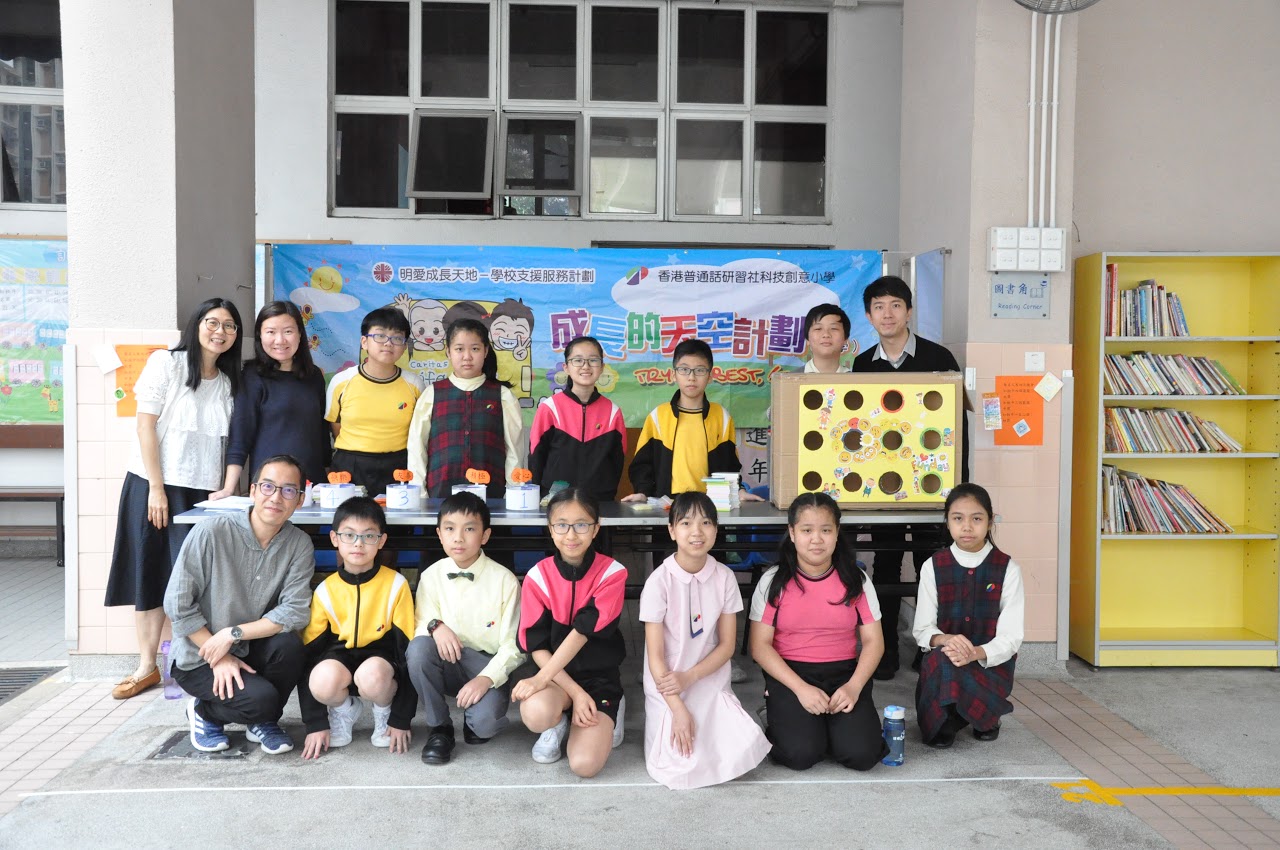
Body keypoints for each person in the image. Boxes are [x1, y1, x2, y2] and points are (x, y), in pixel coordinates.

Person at [104, 298, 243, 700]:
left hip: (203, 494)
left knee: (196, 579)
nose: (220, 332)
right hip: (154, 486)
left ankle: (197, 663)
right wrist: (156, 487)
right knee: (150, 572)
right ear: (196, 325)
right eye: (212, 322)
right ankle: (146, 666)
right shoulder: (166, 363)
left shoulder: (229, 382)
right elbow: (145, 427)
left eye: (229, 326)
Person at [850, 274, 966, 681]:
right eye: (879, 307)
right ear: (869, 316)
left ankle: (929, 651)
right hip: (883, 485)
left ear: (909, 311)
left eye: (895, 305)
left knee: (931, 567)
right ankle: (883, 653)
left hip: (932, 486)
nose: (888, 314)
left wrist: (956, 489)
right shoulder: (863, 364)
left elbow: (956, 429)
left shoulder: (939, 358)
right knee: (884, 564)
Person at [164, 455, 315, 754]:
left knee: (290, 646)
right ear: (253, 491)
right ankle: (203, 712)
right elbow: (178, 604)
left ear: (299, 500)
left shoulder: (298, 544)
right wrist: (218, 655)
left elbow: (295, 610)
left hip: (247, 646)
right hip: (200, 654)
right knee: (263, 700)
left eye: (288, 490)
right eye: (268, 486)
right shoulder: (211, 532)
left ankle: (261, 721)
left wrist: (232, 635)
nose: (276, 497)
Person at [749, 492, 887, 771]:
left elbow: (874, 641)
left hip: (844, 674)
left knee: (861, 755)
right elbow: (760, 646)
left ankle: (826, 726)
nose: (816, 539)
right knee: (801, 754)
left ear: (837, 533)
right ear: (792, 533)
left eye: (825, 530)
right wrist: (801, 689)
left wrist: (854, 687)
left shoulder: (856, 579)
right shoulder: (773, 581)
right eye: (806, 530)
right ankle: (778, 713)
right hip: (791, 674)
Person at [640, 492, 770, 789]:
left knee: (739, 756)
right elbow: (655, 657)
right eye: (686, 523)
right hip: (668, 686)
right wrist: (677, 708)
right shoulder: (658, 582)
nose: (696, 531)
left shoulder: (724, 577)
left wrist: (691, 677)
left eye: (706, 523)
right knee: (679, 767)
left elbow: (727, 646)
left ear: (716, 529)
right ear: (672, 530)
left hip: (707, 680)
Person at [513, 488, 627, 777]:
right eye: (561, 525)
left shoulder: (612, 573)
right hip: (556, 679)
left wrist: (543, 680)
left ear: (596, 529)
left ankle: (614, 708)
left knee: (584, 766)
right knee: (535, 713)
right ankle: (557, 722)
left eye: (581, 525)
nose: (571, 535)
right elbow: (536, 645)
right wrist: (575, 693)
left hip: (599, 680)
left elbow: (581, 632)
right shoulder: (537, 577)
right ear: (550, 529)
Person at [407, 492, 525, 765]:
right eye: (450, 529)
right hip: (446, 661)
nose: (458, 538)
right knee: (419, 649)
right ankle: (440, 727)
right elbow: (421, 622)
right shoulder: (431, 575)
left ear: (485, 535)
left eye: (469, 529)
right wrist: (436, 626)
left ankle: (475, 718)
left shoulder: (505, 580)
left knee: (483, 726)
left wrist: (486, 678)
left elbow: (514, 646)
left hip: (486, 664)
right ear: (439, 534)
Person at [297, 497, 416, 760]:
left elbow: (408, 652)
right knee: (321, 679)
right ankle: (343, 709)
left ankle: (383, 709)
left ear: (381, 541)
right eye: (349, 535)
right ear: (334, 539)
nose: (358, 544)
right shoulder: (326, 590)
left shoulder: (396, 585)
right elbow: (308, 655)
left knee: (372, 676)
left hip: (381, 665)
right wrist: (315, 722)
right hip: (340, 658)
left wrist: (401, 717)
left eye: (369, 536)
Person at [913, 483, 1024, 749]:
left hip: (988, 666)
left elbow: (1011, 637)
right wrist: (947, 640)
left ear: (989, 521)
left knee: (960, 671)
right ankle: (950, 719)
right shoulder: (932, 566)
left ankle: (984, 715)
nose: (967, 527)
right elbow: (922, 630)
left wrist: (975, 653)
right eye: (957, 518)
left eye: (976, 519)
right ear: (947, 521)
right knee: (944, 662)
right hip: (945, 662)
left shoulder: (1007, 568)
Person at [622, 338, 762, 503]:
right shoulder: (658, 416)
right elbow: (642, 465)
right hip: (668, 505)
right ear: (674, 374)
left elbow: (730, 465)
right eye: (684, 369)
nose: (691, 377)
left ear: (710, 376)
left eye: (700, 370)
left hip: (710, 504)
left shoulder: (721, 417)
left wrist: (739, 490)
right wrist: (643, 493)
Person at [219, 301, 329, 495]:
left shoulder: (314, 376)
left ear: (300, 334)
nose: (280, 340)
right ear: (260, 335)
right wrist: (228, 489)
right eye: (271, 332)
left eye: (288, 331)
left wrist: (329, 480)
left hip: (312, 485)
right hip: (270, 487)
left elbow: (321, 433)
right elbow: (241, 436)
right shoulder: (252, 376)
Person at [407, 318, 523, 499]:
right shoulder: (432, 394)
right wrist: (419, 495)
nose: (467, 356)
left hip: (491, 495)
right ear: (448, 352)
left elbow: (514, 451)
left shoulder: (503, 395)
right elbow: (417, 448)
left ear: (485, 351)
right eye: (459, 349)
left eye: (475, 349)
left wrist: (514, 494)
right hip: (441, 494)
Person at [325, 306, 425, 499]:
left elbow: (419, 432)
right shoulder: (341, 382)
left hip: (399, 467)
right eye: (380, 336)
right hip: (350, 466)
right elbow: (336, 426)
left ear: (404, 347)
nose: (388, 343)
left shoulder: (414, 384)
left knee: (397, 518)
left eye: (397, 338)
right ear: (364, 342)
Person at [529, 335, 627, 502]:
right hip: (555, 501)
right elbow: (536, 456)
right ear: (566, 367)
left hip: (599, 502)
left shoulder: (613, 412)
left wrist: (606, 491)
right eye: (578, 360)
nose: (586, 366)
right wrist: (538, 496)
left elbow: (618, 460)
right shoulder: (550, 408)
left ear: (602, 367)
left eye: (593, 360)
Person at [803, 303, 853, 374]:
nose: (826, 334)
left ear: (845, 338)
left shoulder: (856, 380)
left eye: (834, 328)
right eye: (818, 328)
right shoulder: (790, 379)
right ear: (807, 339)